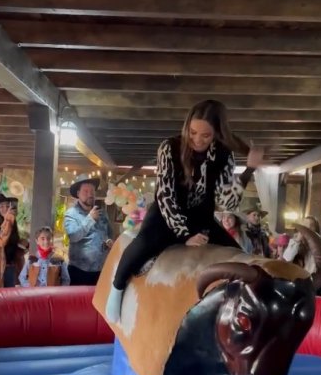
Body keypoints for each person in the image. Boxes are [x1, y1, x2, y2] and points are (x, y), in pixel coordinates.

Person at [106, 99, 264, 323]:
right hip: (165, 215)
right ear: (186, 127)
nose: (198, 140)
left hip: (202, 218)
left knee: (239, 256)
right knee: (142, 245)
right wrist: (185, 235)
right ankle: (116, 289)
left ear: (217, 133)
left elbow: (227, 202)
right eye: (193, 132)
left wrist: (249, 169)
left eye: (206, 135)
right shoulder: (169, 148)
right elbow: (165, 196)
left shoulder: (223, 154)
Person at [64, 174, 114, 286]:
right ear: (78, 194)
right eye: (86, 191)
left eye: (92, 191)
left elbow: (110, 232)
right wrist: (90, 219)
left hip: (100, 271)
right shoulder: (71, 214)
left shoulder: (103, 213)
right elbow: (73, 235)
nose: (90, 194)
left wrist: (109, 240)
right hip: (79, 272)